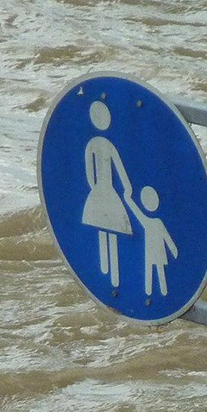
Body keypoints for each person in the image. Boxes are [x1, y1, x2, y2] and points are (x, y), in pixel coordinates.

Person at [81, 100, 133, 287]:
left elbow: (117, 167)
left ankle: (112, 277)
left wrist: (125, 186)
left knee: (110, 228)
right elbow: (91, 169)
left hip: (103, 191)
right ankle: (108, 275)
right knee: (105, 228)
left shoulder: (98, 144)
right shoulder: (95, 144)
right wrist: (125, 188)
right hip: (104, 191)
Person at [125, 186, 178, 297]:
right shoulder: (151, 222)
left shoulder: (155, 222)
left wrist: (173, 250)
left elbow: (166, 236)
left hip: (157, 251)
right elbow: (137, 213)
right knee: (151, 271)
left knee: (157, 271)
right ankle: (151, 292)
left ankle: (160, 293)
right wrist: (128, 199)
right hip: (152, 251)